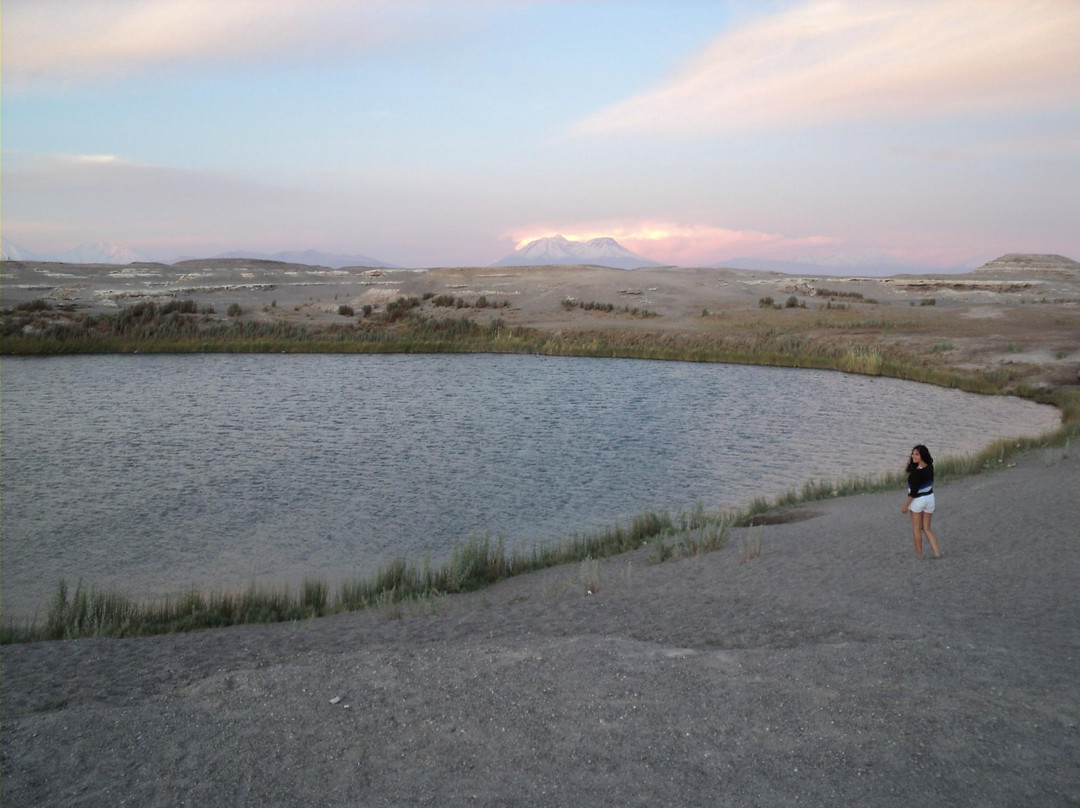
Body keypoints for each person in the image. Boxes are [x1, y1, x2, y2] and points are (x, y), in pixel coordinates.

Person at [902, 444, 942, 559]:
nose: (913, 456)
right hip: (930, 498)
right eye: (913, 453)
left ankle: (919, 555)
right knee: (927, 528)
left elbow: (913, 493)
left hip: (918, 500)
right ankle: (936, 553)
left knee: (917, 529)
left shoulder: (916, 474)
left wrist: (905, 506)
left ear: (922, 456)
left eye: (916, 454)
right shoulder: (930, 467)